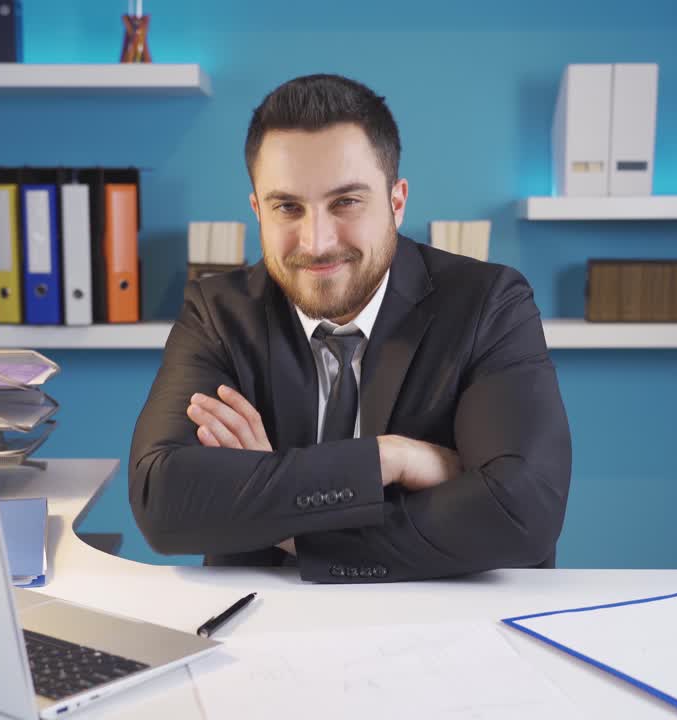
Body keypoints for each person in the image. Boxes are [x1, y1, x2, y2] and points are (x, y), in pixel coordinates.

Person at [129, 73, 571, 583]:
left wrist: (278, 514)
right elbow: (161, 502)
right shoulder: (218, 314)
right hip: (261, 628)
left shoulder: (488, 304)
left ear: (396, 201)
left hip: (444, 626)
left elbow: (524, 510)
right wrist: (391, 458)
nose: (316, 242)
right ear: (258, 210)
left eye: (345, 202)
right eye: (287, 207)